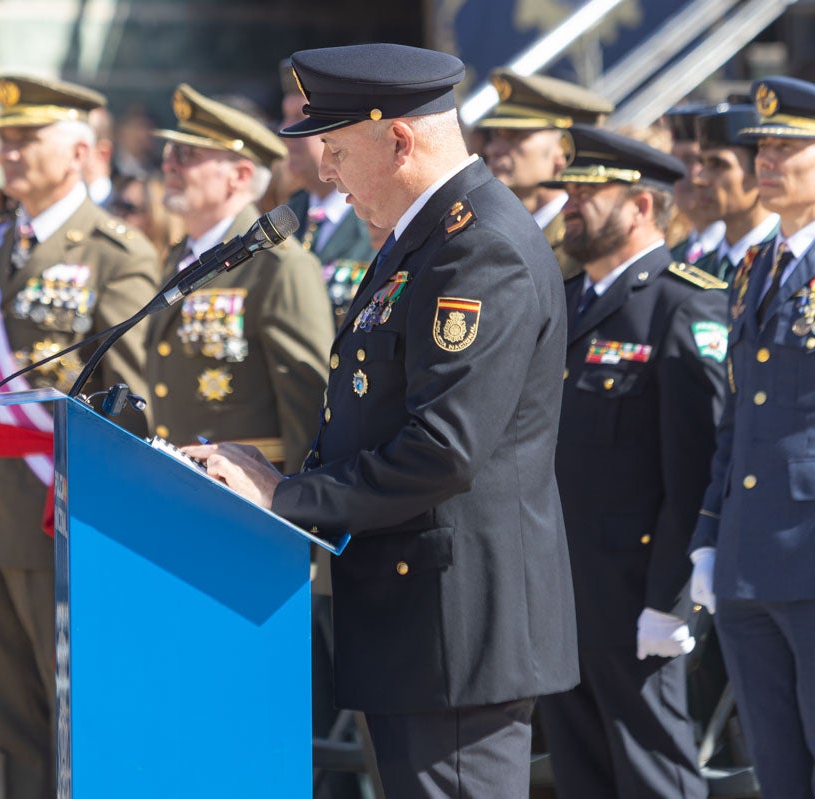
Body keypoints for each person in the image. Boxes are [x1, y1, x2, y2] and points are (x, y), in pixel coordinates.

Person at [186, 43, 579, 799]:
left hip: (455, 629)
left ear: (398, 140)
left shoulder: (478, 248)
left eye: (334, 147)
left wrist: (284, 496)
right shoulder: (423, 241)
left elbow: (442, 450)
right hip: (413, 617)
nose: (324, 170)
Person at [0, 75, 159, 799]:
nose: (11, 152)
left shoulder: (115, 252)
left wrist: (99, 514)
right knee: (7, 718)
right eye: (8, 138)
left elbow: (127, 405)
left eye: (30, 139)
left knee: (73, 713)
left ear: (82, 151)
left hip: (53, 510)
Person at [539, 125, 725, 799]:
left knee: (653, 773)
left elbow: (698, 471)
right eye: (570, 191)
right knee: (580, 771)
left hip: (637, 591)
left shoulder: (682, 303)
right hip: (561, 590)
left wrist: (669, 601)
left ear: (643, 206)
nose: (571, 206)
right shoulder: (564, 302)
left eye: (590, 193)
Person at [688, 75, 815, 799]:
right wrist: (710, 532)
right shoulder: (757, 268)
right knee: (776, 767)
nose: (769, 159)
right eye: (762, 147)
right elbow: (738, 415)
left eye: (789, 145)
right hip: (747, 556)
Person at [145, 83, 331, 472]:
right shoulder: (181, 256)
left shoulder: (279, 266)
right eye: (169, 153)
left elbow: (309, 407)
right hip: (177, 485)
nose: (170, 166)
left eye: (188, 154)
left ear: (240, 175)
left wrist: (297, 513)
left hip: (246, 498)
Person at [476, 68, 614, 281]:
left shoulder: (584, 238)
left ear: (563, 149)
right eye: (495, 135)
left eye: (514, 136)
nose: (493, 149)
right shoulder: (485, 227)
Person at [280, 61, 376, 328]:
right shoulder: (287, 215)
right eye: (284, 116)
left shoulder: (377, 218)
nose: (285, 131)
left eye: (299, 119)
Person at [691, 104, 780, 282]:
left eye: (719, 165)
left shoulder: (784, 267)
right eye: (702, 164)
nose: (700, 179)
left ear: (760, 171)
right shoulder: (700, 268)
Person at [664, 104, 726, 263]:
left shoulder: (740, 256)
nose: (678, 173)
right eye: (673, 160)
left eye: (691, 160)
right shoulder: (675, 255)